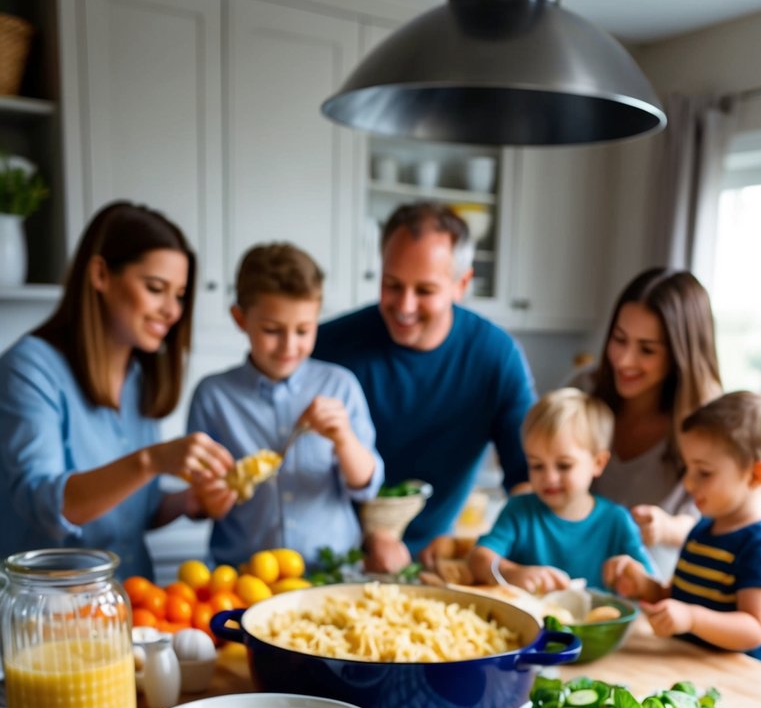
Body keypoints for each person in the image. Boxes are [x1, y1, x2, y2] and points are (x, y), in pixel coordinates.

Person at [0, 201, 234, 580]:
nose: (172, 311)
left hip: (131, 603)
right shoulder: (29, 368)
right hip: (49, 615)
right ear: (101, 274)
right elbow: (50, 506)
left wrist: (192, 501)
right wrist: (152, 460)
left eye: (179, 295)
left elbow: (135, 509)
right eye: (155, 288)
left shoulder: (139, 377)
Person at [313, 202, 535, 572]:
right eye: (392, 285)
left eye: (425, 290)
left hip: (435, 564)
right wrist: (373, 536)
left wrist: (503, 553)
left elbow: (527, 479)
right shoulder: (329, 346)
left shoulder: (496, 356)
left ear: (461, 284)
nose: (404, 305)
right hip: (329, 556)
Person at [187, 242, 383, 569]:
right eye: (272, 330)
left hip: (333, 574)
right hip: (243, 580)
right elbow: (201, 502)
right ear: (240, 318)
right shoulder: (212, 396)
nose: (289, 346)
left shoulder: (340, 385)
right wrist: (210, 498)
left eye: (304, 330)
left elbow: (366, 487)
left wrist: (344, 439)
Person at [603, 391, 761, 663]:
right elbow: (682, 595)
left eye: (704, 472)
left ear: (755, 474)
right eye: (687, 469)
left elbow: (755, 628)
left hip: (736, 682)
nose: (689, 484)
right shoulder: (701, 530)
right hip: (687, 666)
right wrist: (646, 586)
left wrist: (691, 619)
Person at [588, 267, 723, 578]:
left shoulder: (711, 422)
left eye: (646, 349)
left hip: (657, 597)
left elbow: (723, 526)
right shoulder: (584, 392)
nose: (624, 360)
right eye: (619, 339)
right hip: (575, 584)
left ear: (680, 354)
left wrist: (667, 529)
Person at [468, 388, 654, 591]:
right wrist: (510, 572)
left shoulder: (617, 521)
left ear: (598, 463)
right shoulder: (519, 511)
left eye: (564, 465)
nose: (549, 478)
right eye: (537, 465)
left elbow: (649, 587)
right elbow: (478, 558)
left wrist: (634, 577)